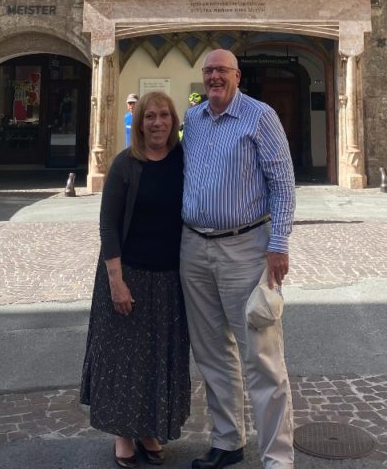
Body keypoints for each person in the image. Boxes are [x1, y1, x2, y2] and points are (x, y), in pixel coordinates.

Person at [181, 49, 296, 469]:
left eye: (221, 71)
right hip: (193, 246)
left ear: (237, 76)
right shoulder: (192, 119)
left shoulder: (260, 116)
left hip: (246, 248)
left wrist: (279, 243)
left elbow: (282, 183)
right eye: (208, 71)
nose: (214, 77)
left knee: (262, 355)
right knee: (211, 352)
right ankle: (228, 441)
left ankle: (278, 458)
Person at [81, 91, 190, 468]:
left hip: (169, 278)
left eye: (163, 116)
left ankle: (148, 429)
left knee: (157, 359)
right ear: (139, 122)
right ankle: (123, 435)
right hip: (128, 274)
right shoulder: (125, 164)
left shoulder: (182, 161)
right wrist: (116, 280)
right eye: (149, 117)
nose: (157, 123)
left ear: (173, 122)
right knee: (123, 359)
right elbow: (108, 225)